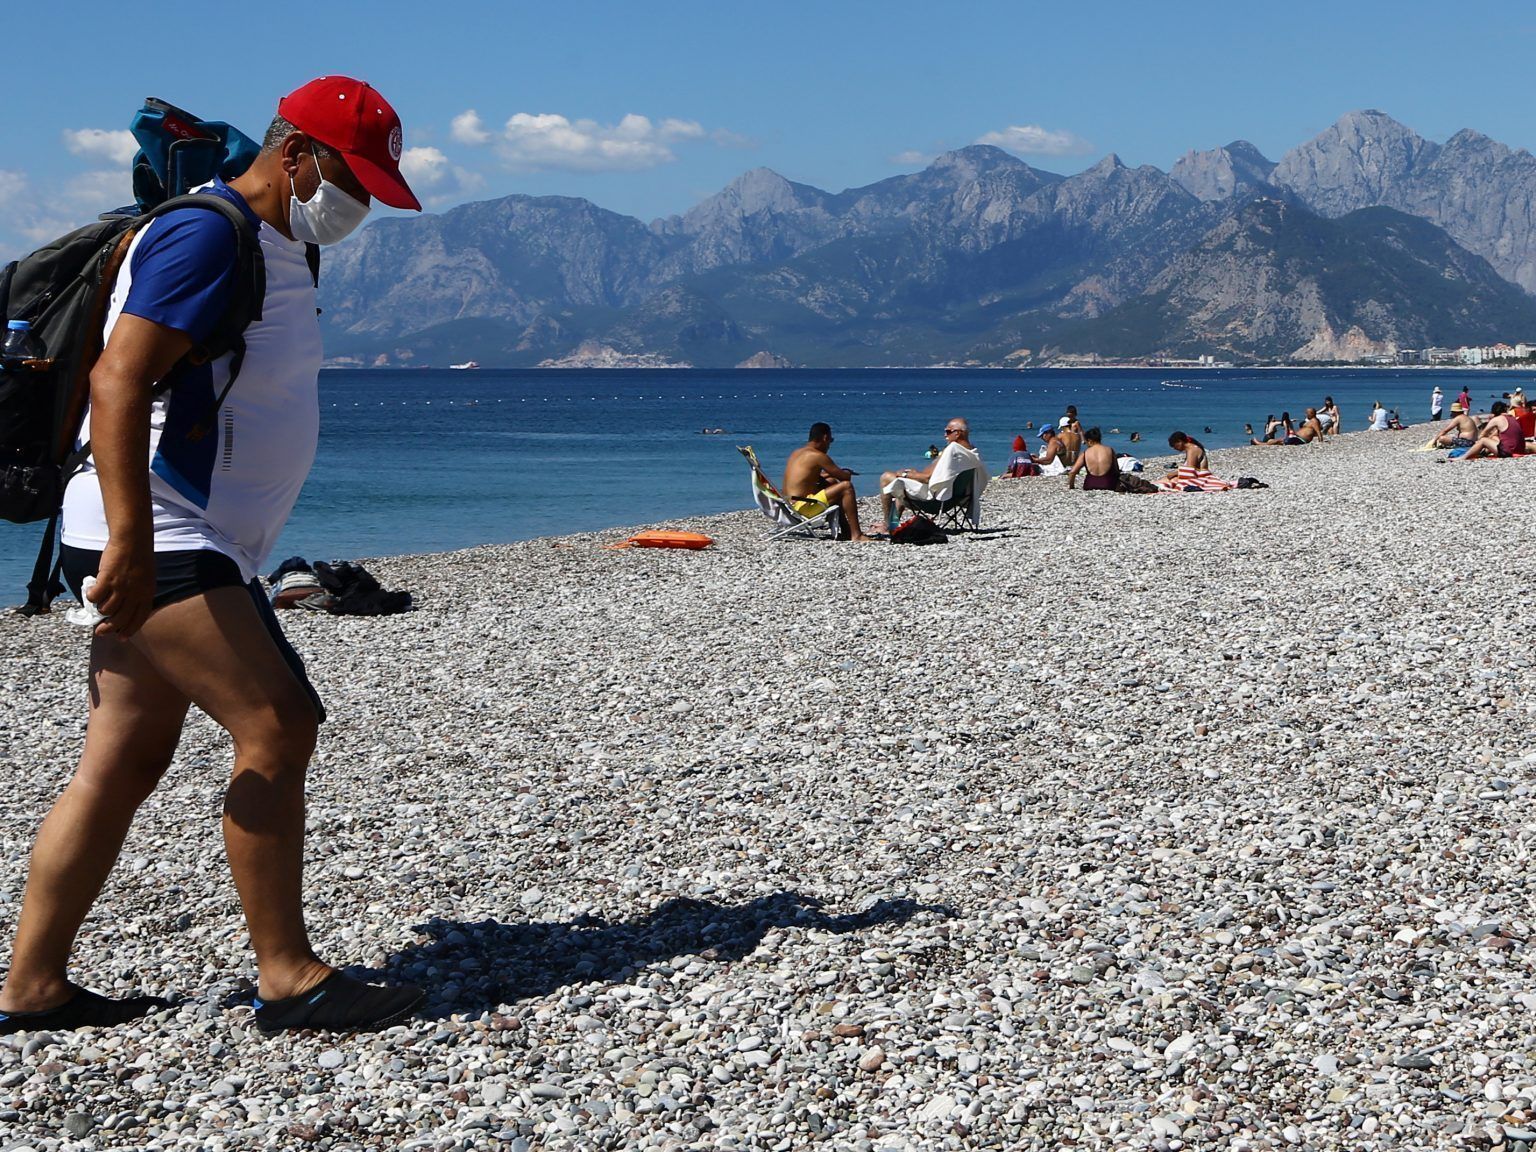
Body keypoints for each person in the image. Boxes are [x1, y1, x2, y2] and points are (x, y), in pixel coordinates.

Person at [0, 78, 428, 1036]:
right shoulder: (205, 235)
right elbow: (117, 381)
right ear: (295, 153)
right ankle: (288, 977)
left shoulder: (280, 241)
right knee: (278, 721)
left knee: (121, 757)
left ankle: (31, 988)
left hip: (186, 532)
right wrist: (132, 541)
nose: (357, 204)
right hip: (161, 529)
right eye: (351, 179)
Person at [880, 418, 989, 525]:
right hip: (956, 498)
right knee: (901, 486)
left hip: (936, 501)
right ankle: (893, 524)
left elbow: (927, 478)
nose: (945, 435)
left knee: (887, 478)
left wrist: (906, 474)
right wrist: (914, 474)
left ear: (957, 433)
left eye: (948, 431)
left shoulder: (953, 450)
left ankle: (887, 525)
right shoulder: (971, 452)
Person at [782, 422, 873, 541]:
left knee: (831, 482)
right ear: (825, 438)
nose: (830, 445)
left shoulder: (797, 453)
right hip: (803, 507)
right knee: (846, 487)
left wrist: (830, 474)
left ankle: (847, 531)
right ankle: (857, 535)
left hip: (788, 505)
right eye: (831, 440)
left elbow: (806, 478)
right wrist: (847, 472)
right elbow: (845, 478)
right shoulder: (818, 456)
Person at [1160, 431, 1235, 491]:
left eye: (1174, 446)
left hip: (1199, 477)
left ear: (1180, 441)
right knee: (1164, 480)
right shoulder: (1191, 449)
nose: (1174, 449)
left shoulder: (1192, 450)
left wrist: (1173, 474)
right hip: (1196, 476)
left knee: (1168, 480)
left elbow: (1189, 470)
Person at [1066, 427, 1119, 491]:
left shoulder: (1085, 453)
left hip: (1090, 484)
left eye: (1086, 442)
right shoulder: (1110, 450)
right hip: (1108, 484)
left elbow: (1072, 472)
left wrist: (1071, 486)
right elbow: (1116, 470)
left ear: (1089, 441)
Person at [1252, 408, 1323, 445]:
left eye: (1307, 413)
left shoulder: (1314, 421)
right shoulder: (1311, 421)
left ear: (1312, 413)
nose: (1306, 414)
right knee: (1279, 441)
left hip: (1301, 439)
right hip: (1297, 438)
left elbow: (1318, 431)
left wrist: (1320, 442)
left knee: (1279, 441)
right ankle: (1262, 443)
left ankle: (1260, 444)